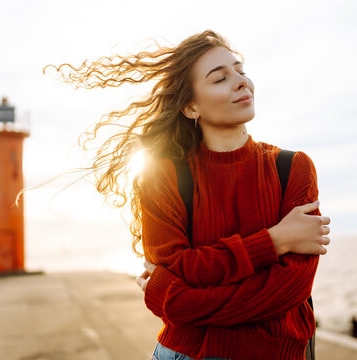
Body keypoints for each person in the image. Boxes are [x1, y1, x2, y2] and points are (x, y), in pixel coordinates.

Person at [43, 29, 330, 360]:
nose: (240, 81)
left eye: (240, 70)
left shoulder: (293, 167)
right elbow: (176, 272)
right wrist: (274, 241)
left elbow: (289, 290)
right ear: (191, 107)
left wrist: (178, 299)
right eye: (220, 78)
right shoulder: (162, 176)